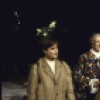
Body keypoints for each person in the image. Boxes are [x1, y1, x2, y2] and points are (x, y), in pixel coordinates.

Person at [27, 35, 75, 100]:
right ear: (44, 50)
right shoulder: (37, 67)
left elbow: (69, 90)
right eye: (52, 49)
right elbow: (32, 92)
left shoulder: (64, 66)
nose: (56, 51)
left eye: (56, 48)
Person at [73, 33, 100, 100]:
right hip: (88, 95)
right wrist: (90, 82)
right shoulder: (84, 57)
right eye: (98, 41)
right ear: (92, 42)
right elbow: (76, 75)